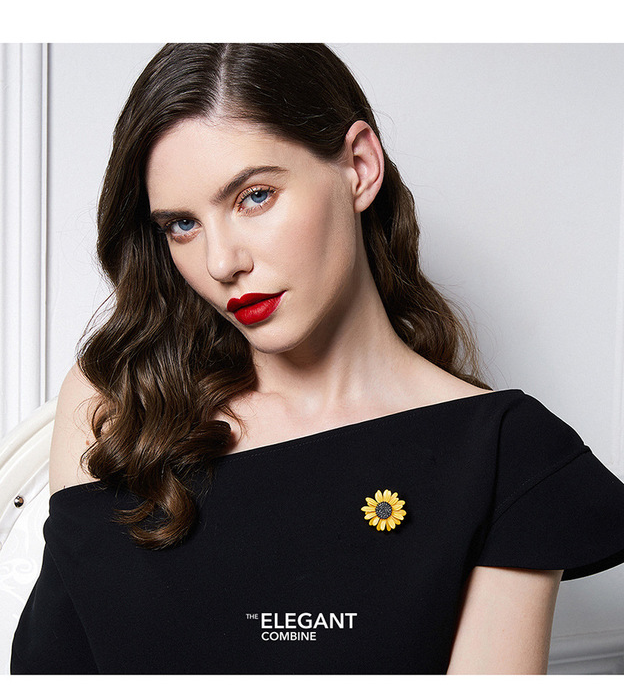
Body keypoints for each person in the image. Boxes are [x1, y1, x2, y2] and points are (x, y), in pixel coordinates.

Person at [11, 43, 624, 674]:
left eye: (254, 196)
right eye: (182, 225)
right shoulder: (118, 400)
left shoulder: (502, 454)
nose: (221, 262)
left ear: (359, 167)